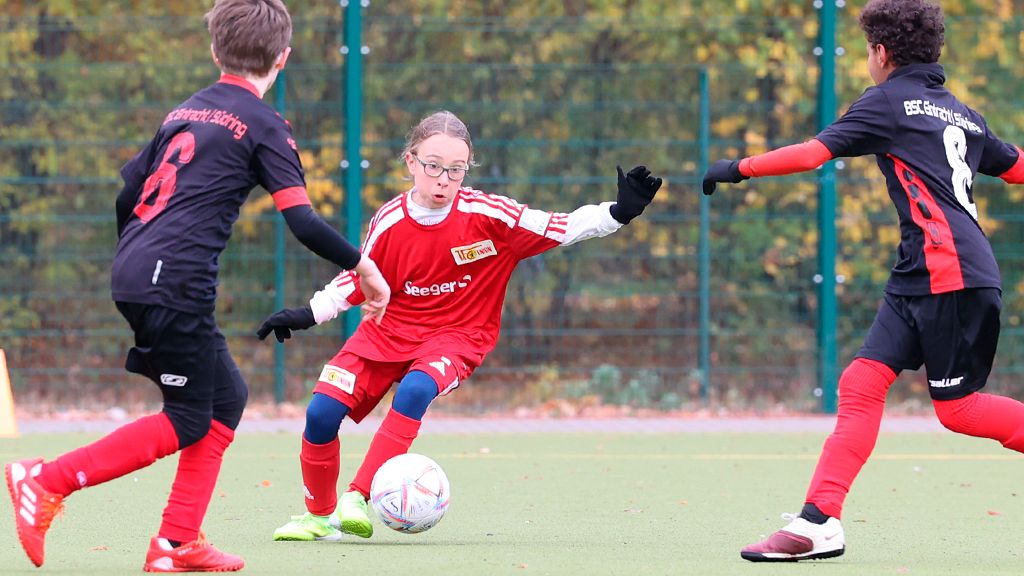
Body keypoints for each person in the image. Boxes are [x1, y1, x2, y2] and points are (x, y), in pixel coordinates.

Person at [4, 0, 390, 571]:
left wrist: (135, 258)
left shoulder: (185, 110)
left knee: (225, 399)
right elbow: (303, 221)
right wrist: (366, 267)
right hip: (172, 280)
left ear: (215, 52)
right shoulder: (265, 125)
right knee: (188, 416)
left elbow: (124, 195)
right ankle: (45, 479)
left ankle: (177, 542)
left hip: (140, 268)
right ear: (283, 58)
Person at [702, 0, 1024, 563]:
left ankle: (818, 521)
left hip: (949, 273)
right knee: (860, 383)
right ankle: (818, 523)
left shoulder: (888, 101)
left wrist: (736, 168)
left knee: (960, 411)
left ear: (881, 52)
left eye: (866, 52)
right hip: (923, 273)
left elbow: (812, 154)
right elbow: (1017, 165)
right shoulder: (962, 114)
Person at [256, 110, 662, 542]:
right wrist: (311, 312)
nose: (443, 180)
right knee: (320, 414)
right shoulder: (390, 220)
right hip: (385, 332)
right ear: (410, 162)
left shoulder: (490, 216)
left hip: (458, 337)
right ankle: (319, 518)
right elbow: (362, 274)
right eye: (433, 166)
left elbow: (558, 227)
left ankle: (359, 495)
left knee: (414, 390)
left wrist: (618, 212)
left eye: (456, 170)